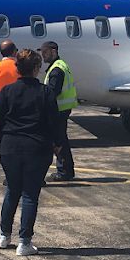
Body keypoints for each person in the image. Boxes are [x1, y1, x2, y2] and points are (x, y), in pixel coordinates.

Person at [0, 48, 64, 256]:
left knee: (12, 191)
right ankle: (25, 241)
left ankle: (4, 235)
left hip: (10, 147)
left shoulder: (7, 91)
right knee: (30, 194)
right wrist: (58, 144)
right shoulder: (45, 92)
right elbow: (54, 122)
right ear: (36, 69)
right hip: (36, 148)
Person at [40, 40, 77, 180]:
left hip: (58, 109)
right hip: (63, 108)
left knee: (58, 141)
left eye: (45, 52)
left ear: (53, 51)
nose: (43, 55)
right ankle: (66, 171)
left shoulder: (57, 69)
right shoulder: (59, 65)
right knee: (61, 140)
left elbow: (52, 92)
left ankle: (64, 172)